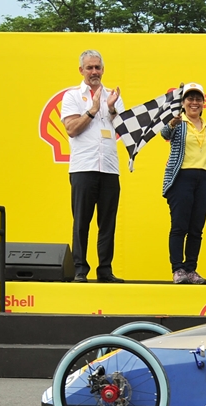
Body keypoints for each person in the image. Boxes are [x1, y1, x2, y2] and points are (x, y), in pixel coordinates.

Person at [60, 49, 126, 283]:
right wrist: (92, 110)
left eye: (98, 67)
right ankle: (80, 269)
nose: (94, 72)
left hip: (109, 167)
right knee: (82, 221)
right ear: (81, 70)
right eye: (89, 68)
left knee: (107, 222)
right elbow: (71, 129)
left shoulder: (113, 95)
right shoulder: (72, 96)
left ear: (103, 69)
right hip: (83, 167)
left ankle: (105, 270)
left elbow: (125, 131)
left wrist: (112, 108)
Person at [161, 83, 206, 284]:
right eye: (190, 98)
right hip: (181, 179)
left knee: (197, 229)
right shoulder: (178, 123)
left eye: (198, 99)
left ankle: (191, 269)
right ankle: (177, 269)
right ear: (183, 102)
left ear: (203, 104)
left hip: (203, 180)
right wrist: (171, 123)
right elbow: (164, 134)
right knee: (179, 226)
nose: (194, 103)